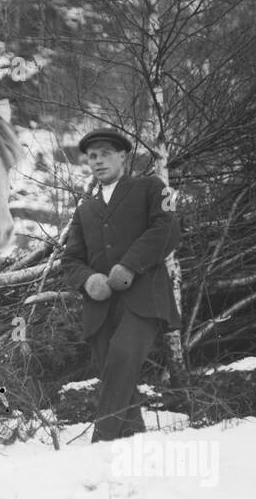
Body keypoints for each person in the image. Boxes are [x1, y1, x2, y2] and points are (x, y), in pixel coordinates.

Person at [60, 128, 181, 442]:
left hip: (145, 300)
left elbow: (168, 229)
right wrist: (89, 280)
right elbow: (70, 260)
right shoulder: (84, 208)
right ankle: (131, 442)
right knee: (118, 377)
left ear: (123, 157)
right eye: (92, 156)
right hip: (100, 309)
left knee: (122, 358)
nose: (97, 161)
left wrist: (129, 265)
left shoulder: (151, 187)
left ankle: (101, 440)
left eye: (105, 154)